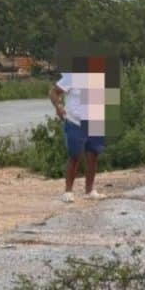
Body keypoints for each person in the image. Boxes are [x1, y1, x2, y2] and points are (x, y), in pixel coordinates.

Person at [49, 68, 105, 203]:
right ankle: (68, 192)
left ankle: (90, 191)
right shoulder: (73, 76)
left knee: (93, 156)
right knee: (74, 156)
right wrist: (59, 107)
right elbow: (54, 92)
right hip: (75, 121)